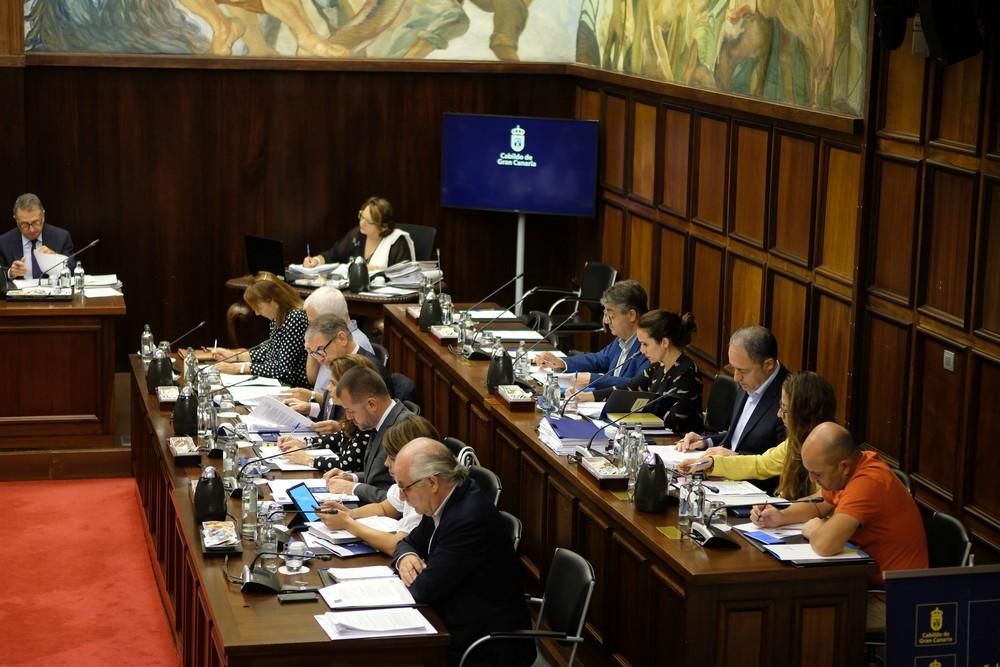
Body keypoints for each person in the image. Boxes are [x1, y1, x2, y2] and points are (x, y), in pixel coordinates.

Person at [751, 422, 928, 629]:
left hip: (891, 599)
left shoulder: (868, 482)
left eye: (817, 474)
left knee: (802, 617)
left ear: (843, 466)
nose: (812, 479)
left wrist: (816, 528)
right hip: (862, 583)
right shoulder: (851, 468)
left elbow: (826, 545)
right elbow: (820, 505)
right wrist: (780, 516)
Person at [393, 438, 535, 667]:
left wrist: (412, 564)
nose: (402, 497)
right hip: (454, 620)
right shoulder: (443, 501)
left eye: (404, 487)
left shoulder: (468, 519)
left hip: (481, 646)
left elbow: (423, 590)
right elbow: (406, 543)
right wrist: (405, 558)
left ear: (432, 482)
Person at [679, 371, 837, 500]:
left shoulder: (831, 449)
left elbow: (825, 501)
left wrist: (783, 513)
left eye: (785, 409)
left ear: (804, 414)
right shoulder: (795, 443)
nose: (779, 414)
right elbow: (760, 464)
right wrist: (712, 463)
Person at [317, 416, 441, 555]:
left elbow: (396, 545)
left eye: (392, 458)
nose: (386, 463)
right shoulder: (409, 483)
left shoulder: (423, 493)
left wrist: (348, 524)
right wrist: (350, 514)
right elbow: (384, 508)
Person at [583, 309, 703, 435]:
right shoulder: (657, 366)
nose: (641, 350)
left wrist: (638, 407)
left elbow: (672, 420)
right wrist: (590, 396)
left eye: (645, 344)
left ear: (664, 342)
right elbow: (629, 388)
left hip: (679, 442)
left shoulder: (686, 372)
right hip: (655, 436)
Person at [676, 325, 788, 456]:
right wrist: (706, 441)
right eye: (733, 368)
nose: (736, 378)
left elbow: (784, 462)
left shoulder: (791, 396)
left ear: (768, 365)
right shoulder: (748, 382)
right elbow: (738, 437)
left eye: (742, 370)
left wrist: (735, 458)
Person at [533, 279, 650, 392]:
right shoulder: (622, 339)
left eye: (611, 316)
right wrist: (560, 363)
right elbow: (598, 360)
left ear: (631, 315)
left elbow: (635, 385)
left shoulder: (649, 348)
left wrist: (592, 379)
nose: (606, 321)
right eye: (605, 315)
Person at [277, 355, 383, 473]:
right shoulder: (353, 411)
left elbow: (348, 463)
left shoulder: (365, 417)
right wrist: (305, 443)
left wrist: (310, 460)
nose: (328, 388)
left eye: (333, 383)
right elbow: (340, 438)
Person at [323, 366, 413, 504]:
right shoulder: (379, 422)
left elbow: (402, 500)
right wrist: (352, 478)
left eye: (351, 411)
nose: (348, 417)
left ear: (371, 404)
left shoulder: (403, 429)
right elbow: (379, 476)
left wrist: (354, 488)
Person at [211, 272, 309, 387]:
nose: (257, 313)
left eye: (259, 307)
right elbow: (270, 352)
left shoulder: (295, 318)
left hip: (295, 387)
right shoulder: (278, 316)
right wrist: (235, 356)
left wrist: (239, 368)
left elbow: (283, 370)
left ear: (271, 300)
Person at [301, 196, 415, 270]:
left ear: (383, 227)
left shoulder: (396, 241)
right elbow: (333, 255)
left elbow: (403, 275)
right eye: (362, 216)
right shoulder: (357, 235)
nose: (361, 223)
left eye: (368, 222)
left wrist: (375, 269)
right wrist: (316, 260)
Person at [1, 193, 75, 279]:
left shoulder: (61, 237)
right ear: (16, 220)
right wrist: (11, 273)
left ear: (43, 216)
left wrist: (55, 258)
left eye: (36, 222)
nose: (31, 229)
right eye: (24, 224)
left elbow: (72, 270)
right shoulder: (4, 242)